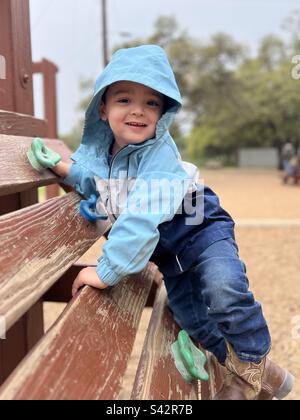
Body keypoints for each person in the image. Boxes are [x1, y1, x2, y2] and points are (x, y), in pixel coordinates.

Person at [48, 45, 293, 400]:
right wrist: (65, 170)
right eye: (124, 99)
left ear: (163, 113)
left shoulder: (159, 156)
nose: (138, 110)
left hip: (201, 229)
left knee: (224, 289)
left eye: (151, 103)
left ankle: (249, 371)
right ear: (102, 108)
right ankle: (270, 379)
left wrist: (106, 270)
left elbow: (141, 217)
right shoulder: (105, 156)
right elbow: (94, 180)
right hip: (169, 256)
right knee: (194, 321)